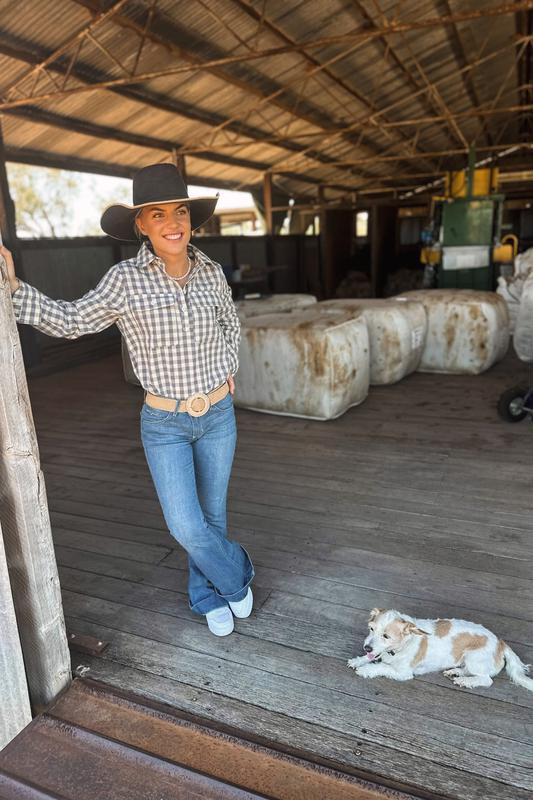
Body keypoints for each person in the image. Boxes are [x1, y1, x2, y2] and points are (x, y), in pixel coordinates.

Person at [2, 162, 254, 637]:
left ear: (191, 219)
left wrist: (228, 368)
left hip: (218, 414)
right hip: (164, 424)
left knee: (213, 516)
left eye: (179, 211)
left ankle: (205, 595)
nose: (172, 223)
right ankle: (237, 576)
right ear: (141, 225)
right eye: (157, 215)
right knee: (187, 525)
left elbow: (229, 322)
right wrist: (14, 290)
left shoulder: (212, 273)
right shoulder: (124, 281)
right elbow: (72, 320)